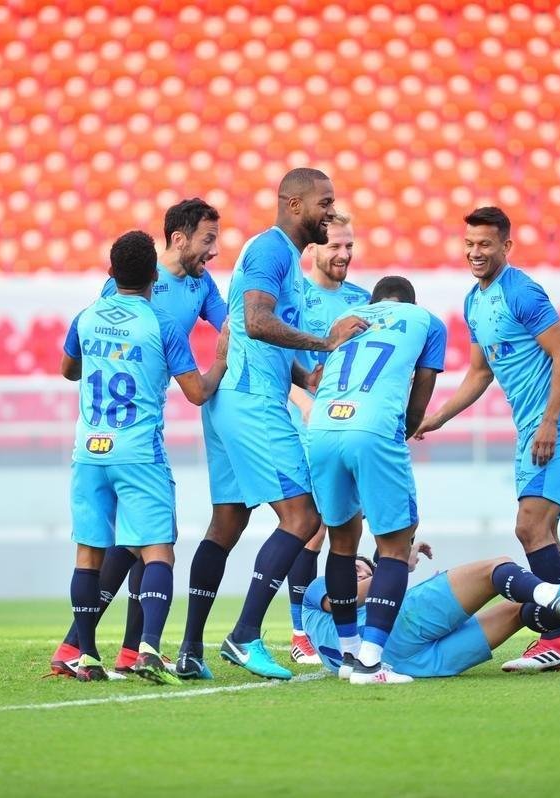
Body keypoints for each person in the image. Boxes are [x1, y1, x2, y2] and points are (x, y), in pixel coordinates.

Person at [175, 167, 368, 681]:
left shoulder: (287, 260)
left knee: (228, 523)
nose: (331, 210)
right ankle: (243, 636)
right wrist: (324, 342)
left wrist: (312, 377)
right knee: (303, 517)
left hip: (238, 398)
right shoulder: (272, 250)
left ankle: (190, 649)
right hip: (252, 401)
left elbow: (273, 344)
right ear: (294, 204)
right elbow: (257, 323)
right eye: (325, 202)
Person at [415, 206, 560, 673]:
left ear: (506, 247)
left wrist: (550, 422)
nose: (476, 252)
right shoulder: (473, 302)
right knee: (545, 533)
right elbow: (479, 372)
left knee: (529, 528)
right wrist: (438, 417)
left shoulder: (523, 292)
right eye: (470, 244)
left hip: (555, 423)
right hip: (532, 426)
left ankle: (554, 636)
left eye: (485, 244)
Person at [48, 198, 228, 678]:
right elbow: (196, 392)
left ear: (112, 272)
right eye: (209, 239)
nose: (213, 250)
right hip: (137, 448)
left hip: (89, 448)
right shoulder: (163, 324)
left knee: (90, 550)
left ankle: (85, 653)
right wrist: (222, 364)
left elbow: (68, 369)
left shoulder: (89, 314)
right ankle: (146, 647)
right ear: (154, 275)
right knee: (157, 549)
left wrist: (110, 358)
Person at [307, 275, 445, 684]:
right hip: (372, 428)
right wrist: (403, 433)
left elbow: (320, 373)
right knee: (395, 547)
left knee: (341, 543)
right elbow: (420, 394)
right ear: (409, 300)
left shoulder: (348, 316)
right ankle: (370, 663)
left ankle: (349, 655)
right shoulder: (426, 320)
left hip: (322, 426)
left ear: (374, 302)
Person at [302, 545, 560, 679]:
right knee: (495, 568)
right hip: (401, 626)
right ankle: (554, 593)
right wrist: (395, 564)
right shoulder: (321, 587)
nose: (362, 573)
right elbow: (349, 596)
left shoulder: (315, 619)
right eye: (357, 569)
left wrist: (395, 566)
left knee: (519, 610)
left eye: (367, 569)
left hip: (415, 665)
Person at [285, 210, 371, 665]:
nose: (343, 253)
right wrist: (304, 403)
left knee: (344, 531)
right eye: (335, 245)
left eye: (349, 245)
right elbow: (279, 366)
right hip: (308, 429)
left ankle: (342, 631)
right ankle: (300, 632)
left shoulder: (364, 300)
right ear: (313, 248)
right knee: (310, 529)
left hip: (350, 430)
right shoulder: (294, 298)